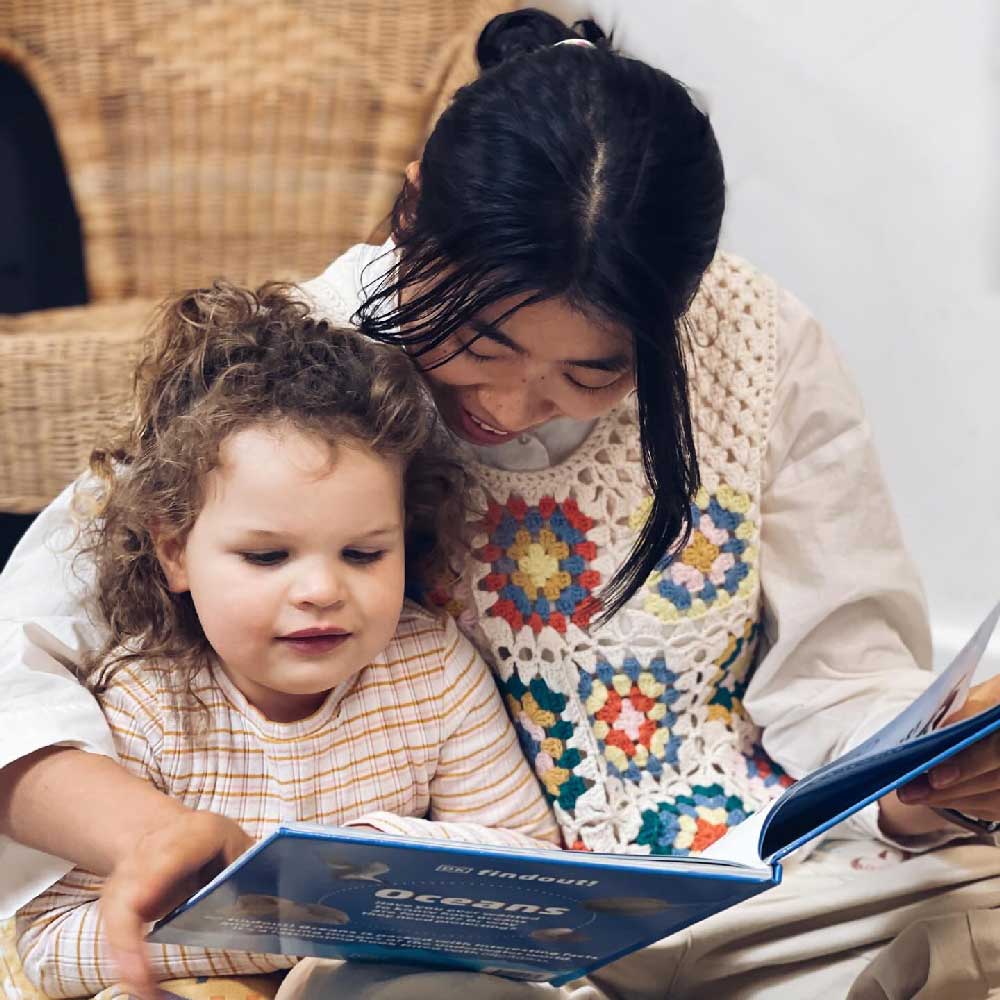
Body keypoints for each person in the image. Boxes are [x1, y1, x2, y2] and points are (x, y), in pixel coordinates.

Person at [2, 7, 1000, 999]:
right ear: (414, 212)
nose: (510, 406)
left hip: (757, 881)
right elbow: (24, 653)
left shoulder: (758, 342)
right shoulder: (292, 379)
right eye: (479, 344)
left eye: (592, 370)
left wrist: (924, 781)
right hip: (479, 934)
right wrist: (147, 836)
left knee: (974, 917)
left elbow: (839, 674)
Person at [10, 281, 558, 998]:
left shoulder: (433, 672)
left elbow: (528, 867)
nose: (322, 591)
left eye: (363, 555)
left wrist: (357, 869)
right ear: (175, 552)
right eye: (268, 558)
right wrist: (259, 923)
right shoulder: (142, 707)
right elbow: (48, 949)